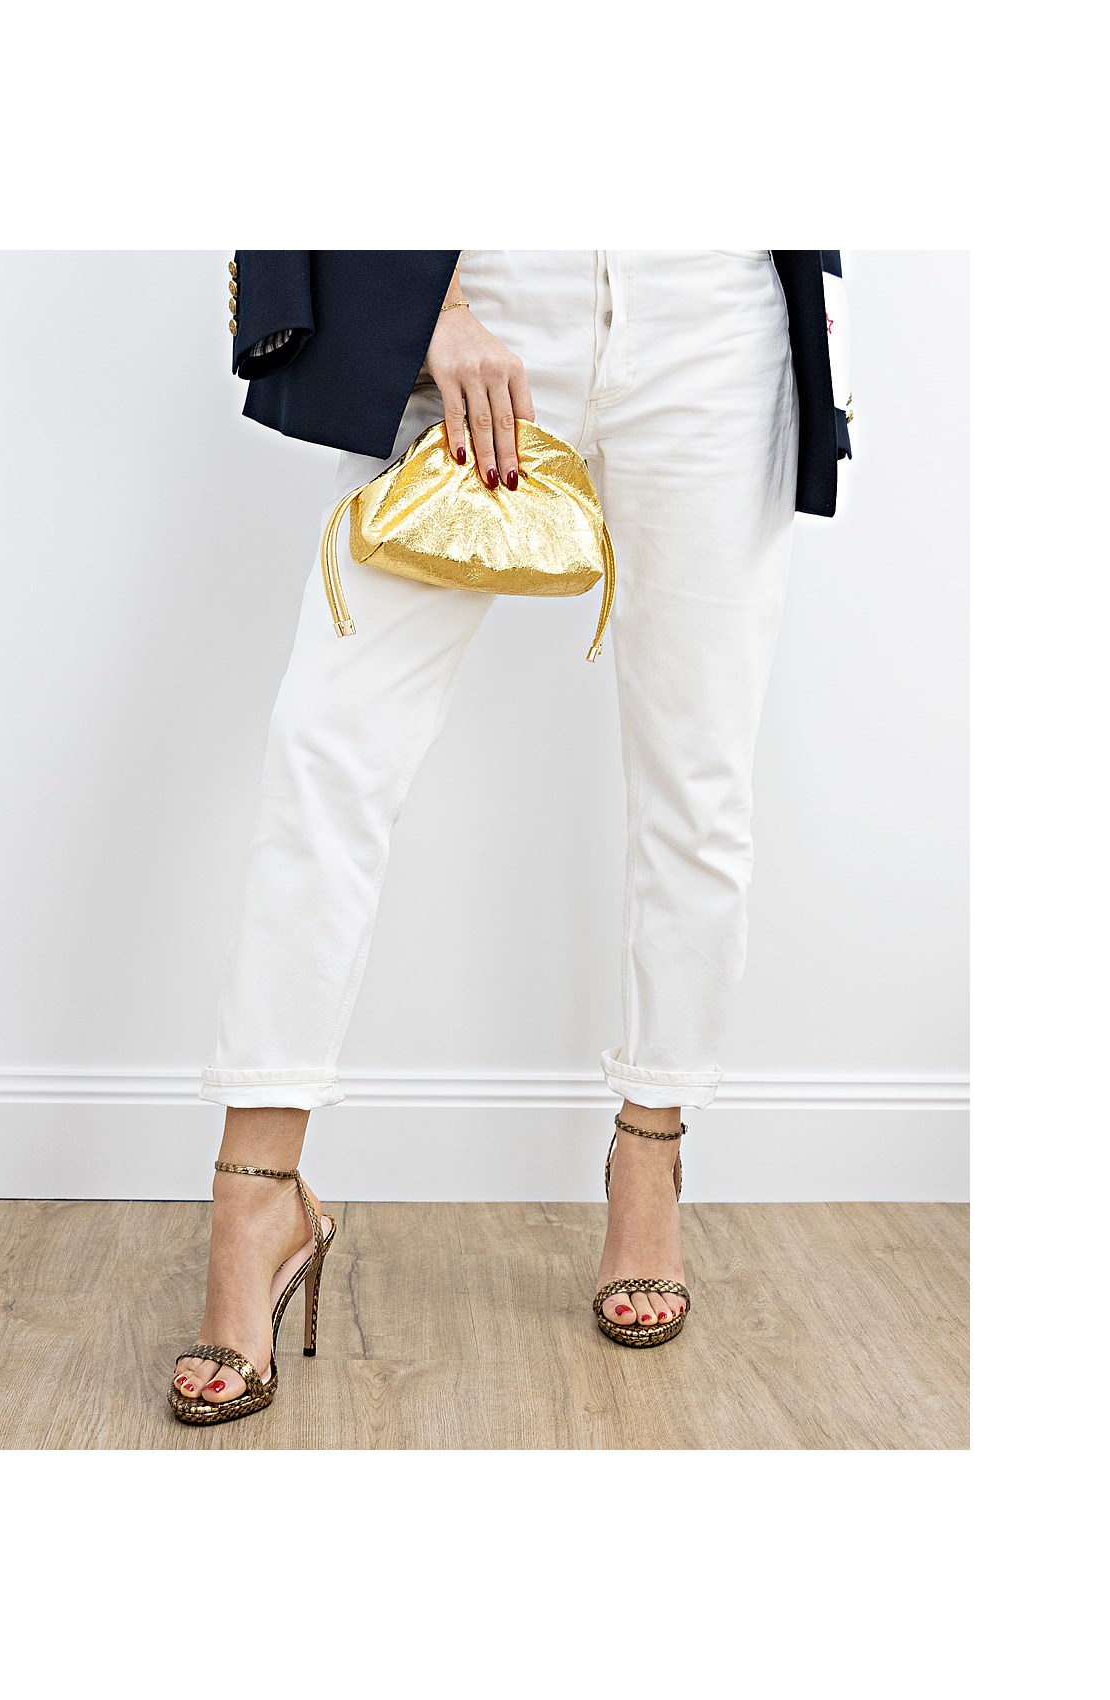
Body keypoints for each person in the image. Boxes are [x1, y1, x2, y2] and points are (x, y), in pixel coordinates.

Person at [170, 249, 852, 1425]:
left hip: (713, 314)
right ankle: (256, 1194)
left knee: (697, 780)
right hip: (490, 291)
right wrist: (433, 308)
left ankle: (651, 1149)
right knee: (328, 749)